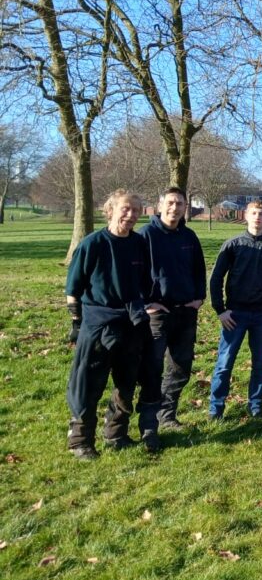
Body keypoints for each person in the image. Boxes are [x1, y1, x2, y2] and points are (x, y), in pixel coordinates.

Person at [65, 190, 154, 458]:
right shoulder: (92, 244)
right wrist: (77, 322)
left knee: (127, 381)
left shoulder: (139, 243)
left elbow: (144, 281)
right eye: (126, 209)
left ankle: (116, 433)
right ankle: (81, 440)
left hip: (131, 322)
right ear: (111, 210)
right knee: (89, 381)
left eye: (137, 210)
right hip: (98, 322)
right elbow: (74, 287)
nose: (131, 215)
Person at [208, 200, 262, 420]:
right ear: (246, 215)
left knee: (261, 362)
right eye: (254, 213)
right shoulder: (233, 244)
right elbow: (215, 278)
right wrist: (220, 309)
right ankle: (216, 408)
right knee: (225, 362)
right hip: (234, 314)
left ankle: (256, 406)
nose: (258, 217)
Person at [138, 186, 206, 431]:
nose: (174, 208)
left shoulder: (189, 237)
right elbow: (135, 273)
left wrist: (199, 298)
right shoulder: (145, 235)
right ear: (160, 205)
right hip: (158, 313)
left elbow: (199, 270)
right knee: (153, 366)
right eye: (170, 203)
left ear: (185, 207)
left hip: (186, 312)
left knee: (180, 367)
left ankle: (167, 415)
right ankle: (147, 418)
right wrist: (147, 303)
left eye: (179, 203)